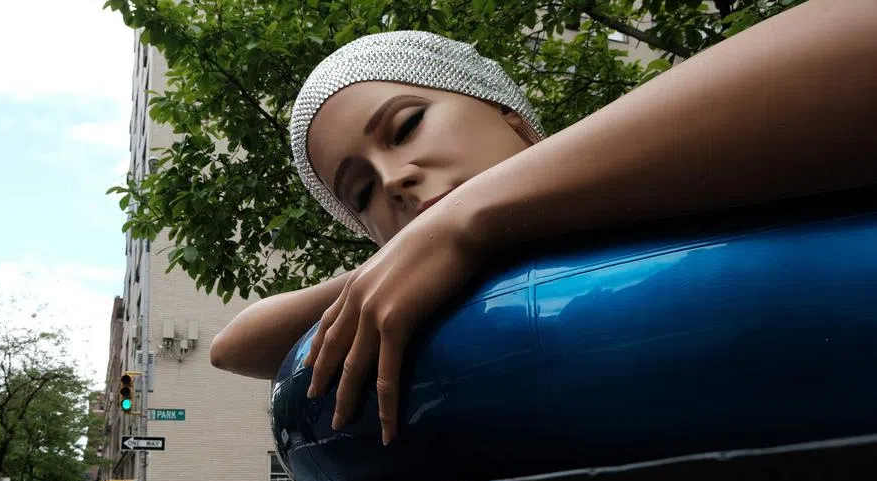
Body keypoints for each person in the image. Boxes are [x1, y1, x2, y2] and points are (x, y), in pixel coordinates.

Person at [209, 0, 877, 447]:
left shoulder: (674, 167)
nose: (393, 180)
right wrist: (424, 250)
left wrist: (472, 217)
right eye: (361, 192)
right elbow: (235, 344)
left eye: (408, 125)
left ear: (512, 117)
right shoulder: (432, 282)